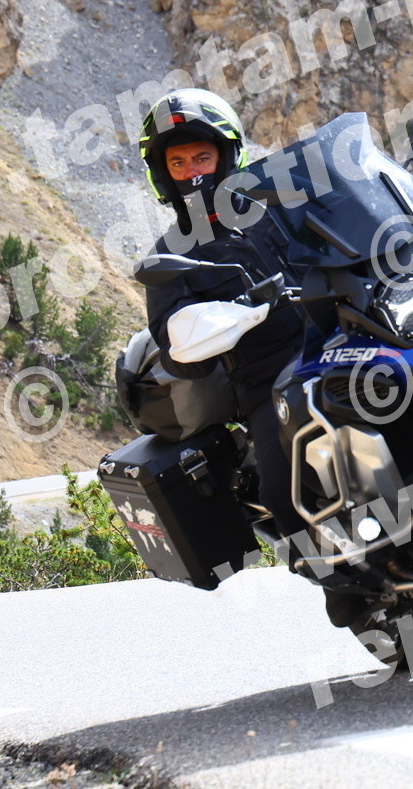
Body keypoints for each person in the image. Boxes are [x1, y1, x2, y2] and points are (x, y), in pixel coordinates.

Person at [135, 89, 310, 546]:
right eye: (178, 163)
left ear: (227, 156)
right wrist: (205, 328)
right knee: (284, 491)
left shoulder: (281, 202)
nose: (191, 172)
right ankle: (339, 574)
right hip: (270, 381)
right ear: (163, 173)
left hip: (345, 331)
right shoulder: (170, 254)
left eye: (201, 157)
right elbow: (175, 346)